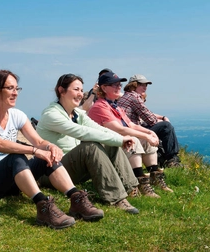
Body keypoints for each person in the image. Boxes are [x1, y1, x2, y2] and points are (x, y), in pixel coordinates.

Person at [0, 69, 104, 230]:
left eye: (17, 88)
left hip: (9, 181)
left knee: (45, 156)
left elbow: (37, 140)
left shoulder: (17, 115)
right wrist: (35, 150)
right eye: (10, 88)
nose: (15, 93)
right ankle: (43, 206)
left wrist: (50, 147)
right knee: (16, 157)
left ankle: (76, 199)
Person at [36, 74, 140, 214]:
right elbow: (83, 132)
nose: (80, 94)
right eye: (76, 89)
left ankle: (131, 188)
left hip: (73, 168)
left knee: (109, 143)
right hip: (51, 172)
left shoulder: (77, 113)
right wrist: (120, 140)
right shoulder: (52, 115)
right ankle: (116, 198)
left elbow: (98, 129)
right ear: (61, 90)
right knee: (90, 147)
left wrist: (119, 138)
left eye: (81, 90)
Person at [88, 71, 173, 198]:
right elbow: (120, 129)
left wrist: (150, 133)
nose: (119, 87)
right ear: (104, 88)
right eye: (114, 85)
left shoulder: (115, 106)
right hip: (105, 146)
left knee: (145, 142)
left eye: (119, 85)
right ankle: (137, 184)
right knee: (135, 140)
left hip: (117, 141)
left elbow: (131, 125)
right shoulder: (100, 107)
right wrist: (145, 135)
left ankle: (155, 177)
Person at [118, 74, 182, 168]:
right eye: (142, 85)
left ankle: (161, 159)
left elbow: (146, 114)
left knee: (160, 128)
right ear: (134, 85)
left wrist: (161, 118)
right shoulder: (134, 97)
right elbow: (150, 119)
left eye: (146, 85)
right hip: (131, 131)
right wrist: (163, 121)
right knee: (166, 127)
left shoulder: (126, 96)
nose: (145, 87)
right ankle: (172, 160)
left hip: (127, 129)